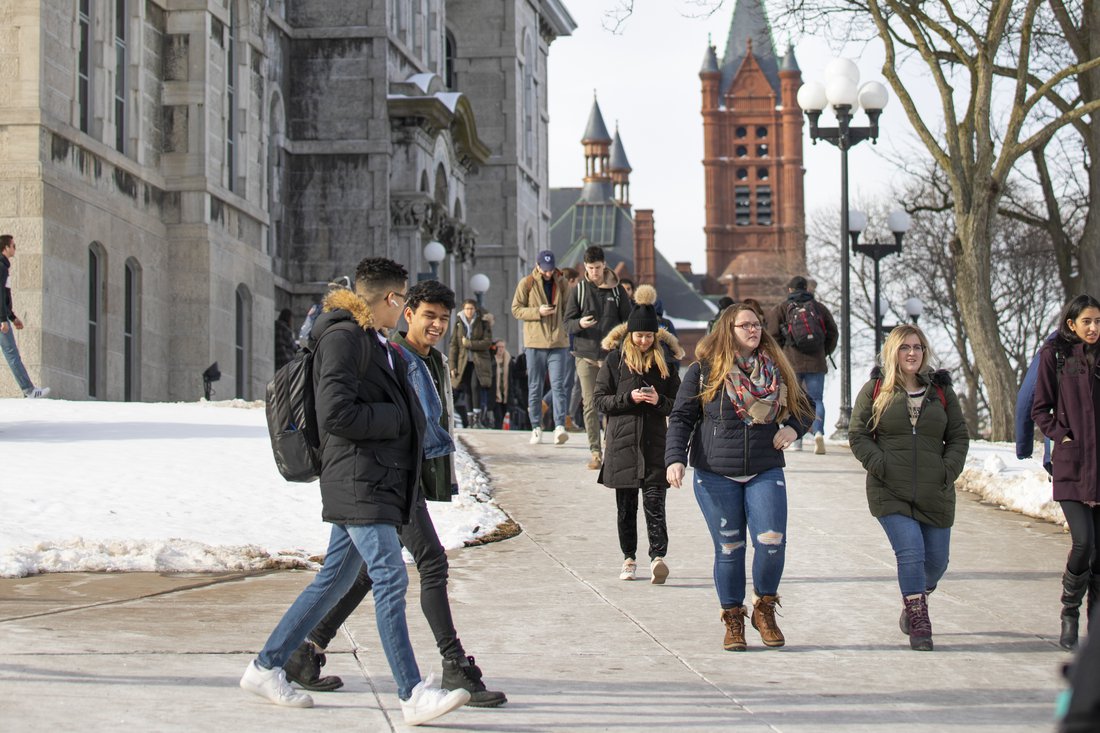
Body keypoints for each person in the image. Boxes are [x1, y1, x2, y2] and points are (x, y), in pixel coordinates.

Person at [239, 258, 471, 726]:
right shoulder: (344, 338)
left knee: (336, 580)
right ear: (390, 299)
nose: (405, 307)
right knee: (390, 576)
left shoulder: (371, 340)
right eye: (403, 299)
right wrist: (401, 420)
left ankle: (266, 666)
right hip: (356, 478)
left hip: (372, 478)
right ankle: (411, 694)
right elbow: (336, 415)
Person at [283, 279, 506, 707]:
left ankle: (302, 650)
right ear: (408, 313)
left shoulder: (431, 360)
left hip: (398, 478)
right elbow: (398, 421)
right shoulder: (395, 356)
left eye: (443, 318)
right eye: (428, 316)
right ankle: (453, 665)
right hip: (384, 477)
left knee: (361, 570)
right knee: (431, 562)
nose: (437, 325)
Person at [665, 303, 814, 651]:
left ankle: (764, 607)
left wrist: (793, 429)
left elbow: (806, 408)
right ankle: (733, 617)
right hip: (715, 473)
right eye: (744, 325)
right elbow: (682, 416)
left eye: (757, 325)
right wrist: (675, 459)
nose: (753, 330)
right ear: (727, 331)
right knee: (730, 548)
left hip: (764, 467)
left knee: (772, 542)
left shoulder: (776, 369)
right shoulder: (705, 371)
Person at [849, 325, 969, 652]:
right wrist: (881, 465)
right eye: (904, 348)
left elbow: (958, 436)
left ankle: (917, 594)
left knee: (937, 563)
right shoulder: (876, 389)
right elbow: (858, 434)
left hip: (936, 490)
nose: (912, 353)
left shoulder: (941, 391)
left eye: (917, 347)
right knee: (911, 553)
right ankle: (918, 615)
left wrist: (947, 470)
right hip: (890, 490)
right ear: (893, 352)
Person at [594, 288, 683, 583]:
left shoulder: (667, 365)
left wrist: (659, 402)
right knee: (626, 508)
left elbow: (681, 405)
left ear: (655, 336)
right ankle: (628, 558)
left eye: (648, 336)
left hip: (656, 443)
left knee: (655, 505)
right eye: (638, 335)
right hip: (623, 445)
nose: (643, 340)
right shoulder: (614, 362)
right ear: (630, 334)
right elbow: (599, 400)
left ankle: (658, 557)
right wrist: (629, 398)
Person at [1032, 294, 1100, 651]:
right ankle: (1069, 613)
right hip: (1072, 467)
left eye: (1098, 322)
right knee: (1083, 542)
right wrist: (1062, 434)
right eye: (1087, 321)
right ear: (1072, 324)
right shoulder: (1055, 355)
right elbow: (1039, 408)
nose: (1093, 328)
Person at [563, 245, 633, 470]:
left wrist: (620, 344)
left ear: (605, 266)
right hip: (585, 354)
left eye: (598, 268)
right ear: (585, 267)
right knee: (590, 404)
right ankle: (595, 451)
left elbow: (628, 324)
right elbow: (567, 323)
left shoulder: (617, 291)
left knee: (612, 404)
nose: (594, 272)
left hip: (611, 357)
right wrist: (579, 324)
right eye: (591, 268)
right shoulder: (580, 290)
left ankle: (610, 446)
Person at [767, 276, 838, 455]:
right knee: (816, 399)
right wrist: (824, 351)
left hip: (791, 363)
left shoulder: (781, 309)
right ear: (806, 289)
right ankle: (818, 432)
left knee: (794, 399)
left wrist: (781, 356)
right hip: (816, 361)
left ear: (790, 290)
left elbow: (772, 336)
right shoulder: (819, 308)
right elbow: (833, 333)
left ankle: (796, 439)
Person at [511, 249, 571, 445]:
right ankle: (536, 426)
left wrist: (566, 325)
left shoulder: (561, 282)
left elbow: (569, 309)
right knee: (535, 386)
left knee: (559, 385)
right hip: (535, 342)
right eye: (544, 269)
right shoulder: (526, 283)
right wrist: (538, 311)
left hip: (558, 342)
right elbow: (516, 309)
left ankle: (559, 425)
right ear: (537, 266)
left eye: (551, 269)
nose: (548, 273)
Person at [0, 235, 48, 398]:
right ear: (5, 248)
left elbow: (5, 297)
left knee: (11, 353)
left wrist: (13, 318)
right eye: (13, 245)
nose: (15, 248)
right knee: (12, 353)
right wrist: (2, 320)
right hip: (0, 319)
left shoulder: (4, 266)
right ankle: (29, 390)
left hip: (3, 317)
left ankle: (28, 390)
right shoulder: (1, 267)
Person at [449, 299, 494, 428]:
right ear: (463, 310)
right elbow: (454, 345)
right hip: (463, 361)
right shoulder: (459, 323)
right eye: (467, 309)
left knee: (476, 386)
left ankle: (477, 419)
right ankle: (470, 420)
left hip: (478, 361)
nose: (469, 311)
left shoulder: (482, 322)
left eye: (471, 309)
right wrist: (452, 365)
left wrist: (469, 343)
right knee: (467, 388)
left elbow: (487, 342)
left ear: (475, 310)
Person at [492, 338, 511, 429]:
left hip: (506, 395)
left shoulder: (509, 361)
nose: (500, 349)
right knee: (498, 418)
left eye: (502, 347)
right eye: (498, 347)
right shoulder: (492, 360)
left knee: (503, 417)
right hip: (495, 395)